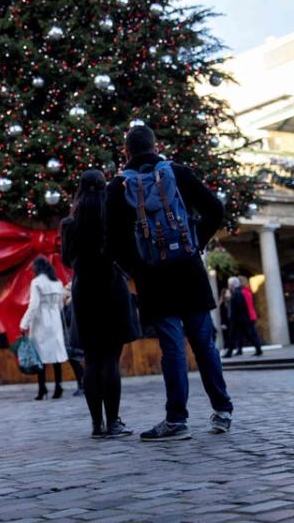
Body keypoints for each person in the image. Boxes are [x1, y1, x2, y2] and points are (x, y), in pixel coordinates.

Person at [106, 125, 233, 441]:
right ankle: (223, 410)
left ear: (126, 152)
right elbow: (215, 209)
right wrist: (195, 242)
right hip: (189, 272)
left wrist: (137, 268)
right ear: (156, 146)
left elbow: (112, 243)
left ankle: (177, 420)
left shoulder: (118, 186)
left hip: (153, 279)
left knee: (172, 348)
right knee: (204, 344)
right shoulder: (177, 173)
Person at [61, 169, 139, 439]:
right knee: (111, 360)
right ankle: (114, 421)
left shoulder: (70, 225)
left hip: (85, 292)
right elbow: (128, 252)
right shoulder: (113, 220)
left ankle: (97, 424)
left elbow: (65, 259)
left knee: (92, 361)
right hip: (112, 289)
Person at [19, 256, 69, 401]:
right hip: (55, 320)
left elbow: (33, 305)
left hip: (41, 321)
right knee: (56, 356)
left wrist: (24, 323)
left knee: (39, 356)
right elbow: (60, 305)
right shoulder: (57, 282)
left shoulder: (36, 282)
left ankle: (42, 389)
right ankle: (58, 387)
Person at [226, 277, 262, 356]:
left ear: (232, 284)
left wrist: (229, 299)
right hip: (243, 318)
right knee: (243, 335)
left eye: (229, 284)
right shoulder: (238, 292)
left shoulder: (238, 293)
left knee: (237, 335)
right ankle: (256, 348)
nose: (228, 285)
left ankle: (230, 352)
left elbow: (240, 306)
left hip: (240, 319)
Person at [61, 291, 86, 397]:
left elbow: (68, 320)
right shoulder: (67, 305)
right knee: (75, 364)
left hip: (74, 341)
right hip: (70, 341)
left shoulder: (71, 305)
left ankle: (83, 386)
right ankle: (81, 385)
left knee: (77, 363)